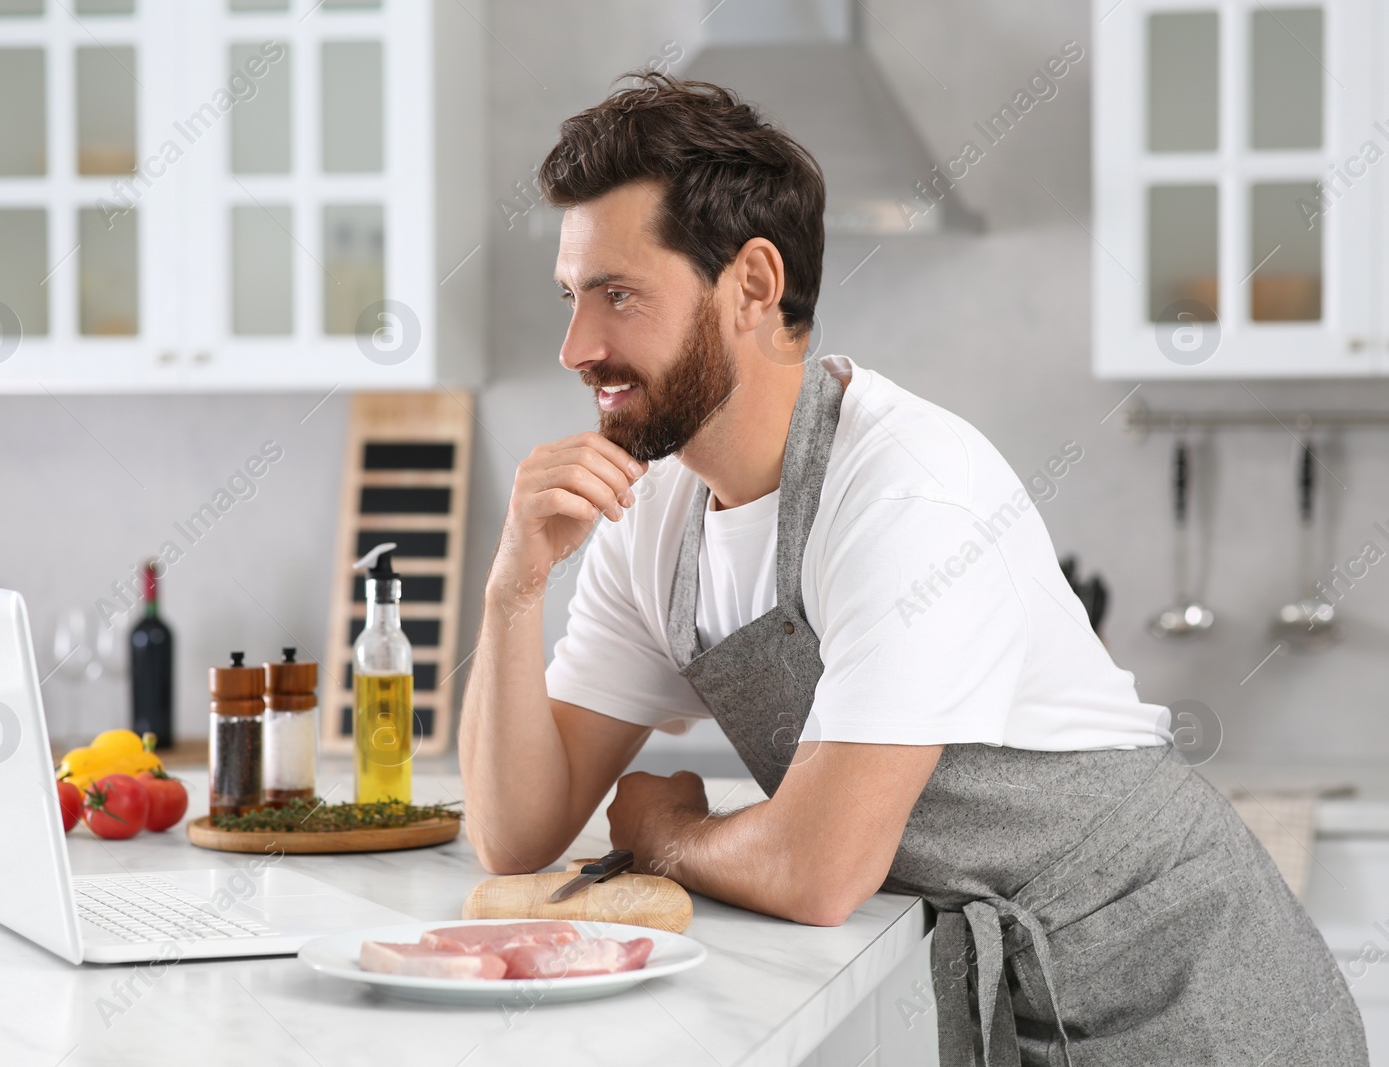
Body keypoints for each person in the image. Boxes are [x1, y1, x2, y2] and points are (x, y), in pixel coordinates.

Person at [457, 71, 1367, 1065]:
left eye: (617, 294)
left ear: (754, 286)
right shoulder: (653, 516)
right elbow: (517, 836)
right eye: (570, 296)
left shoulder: (905, 487)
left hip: (1205, 1009)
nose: (575, 346)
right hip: (1028, 1018)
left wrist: (668, 834)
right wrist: (513, 589)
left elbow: (818, 869)